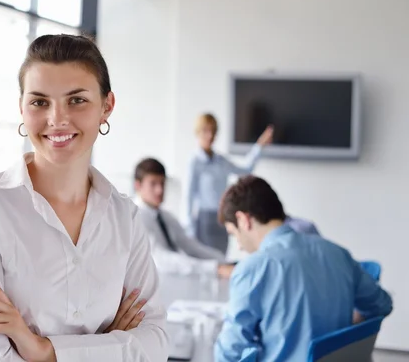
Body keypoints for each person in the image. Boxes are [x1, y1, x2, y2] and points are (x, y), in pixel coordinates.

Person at [0, 35, 168, 362]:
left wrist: (44, 351)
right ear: (22, 108)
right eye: (39, 102)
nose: (57, 119)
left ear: (107, 106)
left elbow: (156, 344)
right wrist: (108, 348)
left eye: (76, 100)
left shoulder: (124, 217)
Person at [214, 175, 393, 362]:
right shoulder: (337, 252)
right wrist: (343, 333)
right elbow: (382, 304)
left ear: (243, 220)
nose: (240, 246)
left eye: (233, 235)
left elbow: (230, 352)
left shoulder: (252, 269)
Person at [186, 113, 273, 254]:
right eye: (205, 131)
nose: (210, 135)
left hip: (222, 218)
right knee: (207, 262)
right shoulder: (194, 162)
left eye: (213, 131)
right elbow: (188, 196)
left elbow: (245, 169)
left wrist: (259, 146)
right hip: (204, 221)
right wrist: (188, 229)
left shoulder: (221, 161)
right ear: (198, 132)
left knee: (221, 258)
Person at [133, 158, 226, 276]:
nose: (160, 190)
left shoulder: (164, 216)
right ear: (138, 185)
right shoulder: (135, 217)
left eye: (162, 183)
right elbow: (161, 260)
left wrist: (222, 260)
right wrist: (215, 268)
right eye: (153, 183)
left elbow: (190, 246)